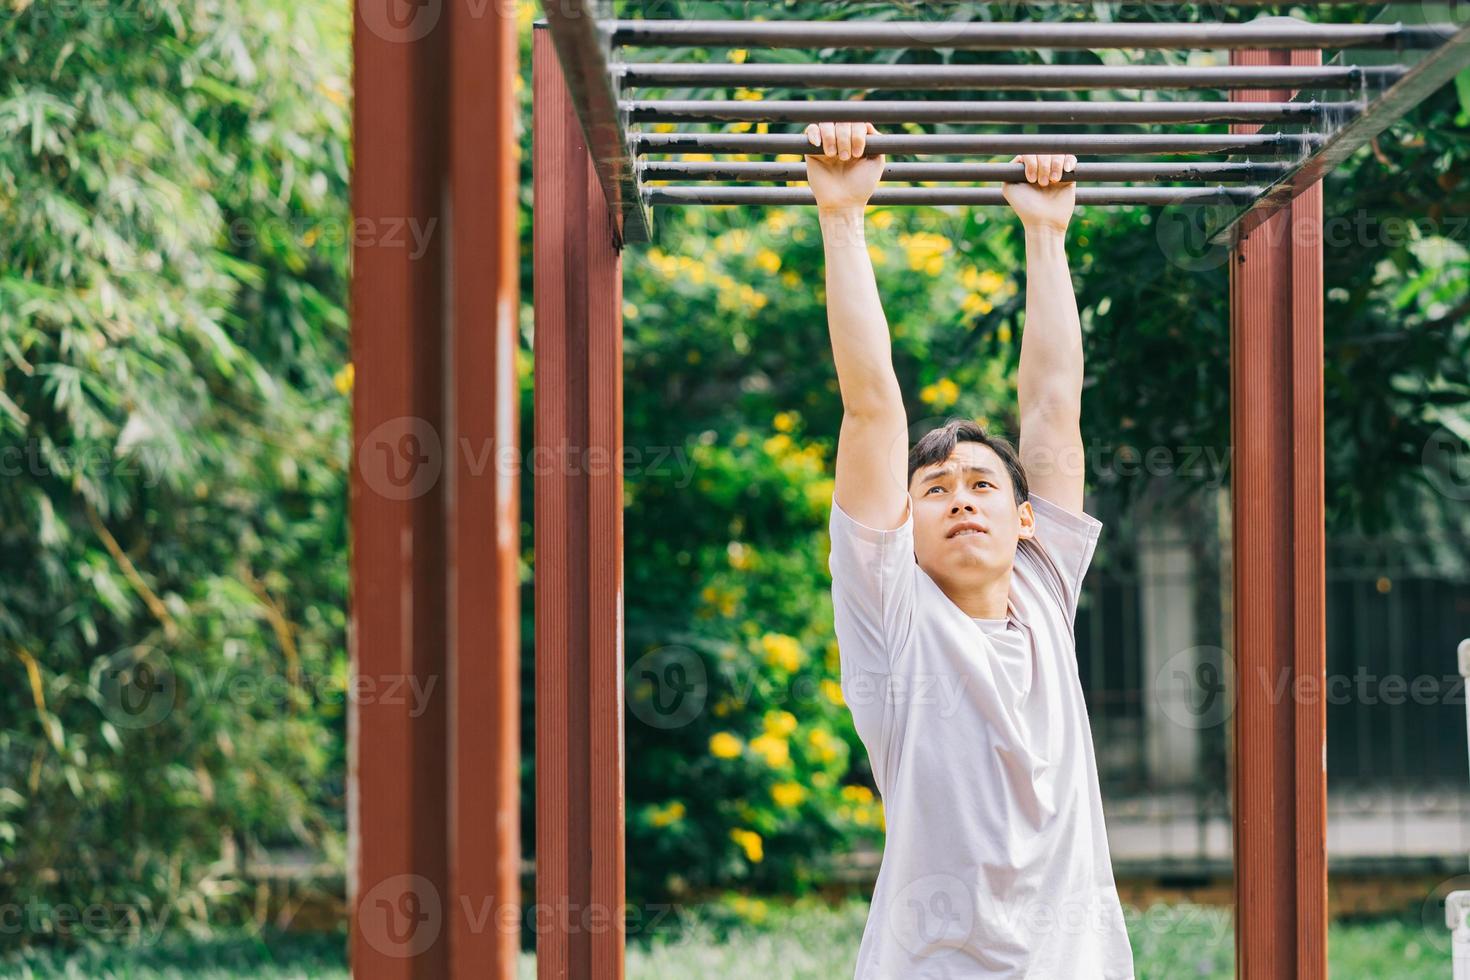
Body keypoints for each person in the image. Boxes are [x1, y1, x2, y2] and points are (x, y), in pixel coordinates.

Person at [804, 120, 1136, 979]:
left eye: (984, 485)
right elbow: (872, 410)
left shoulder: (1044, 590)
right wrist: (841, 217)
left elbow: (1054, 408)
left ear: (1027, 520)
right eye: (936, 489)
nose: (961, 500)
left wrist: (1047, 231)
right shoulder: (893, 609)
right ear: (904, 522)